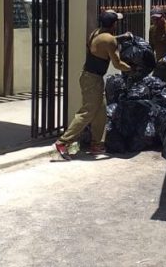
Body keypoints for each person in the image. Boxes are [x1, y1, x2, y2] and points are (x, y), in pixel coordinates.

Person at [54, 9, 131, 159]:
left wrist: (122, 37)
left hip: (88, 77)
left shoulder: (96, 33)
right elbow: (117, 64)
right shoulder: (110, 40)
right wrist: (132, 68)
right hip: (92, 80)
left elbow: (105, 41)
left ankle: (96, 144)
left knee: (101, 111)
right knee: (87, 112)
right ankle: (63, 142)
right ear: (113, 24)